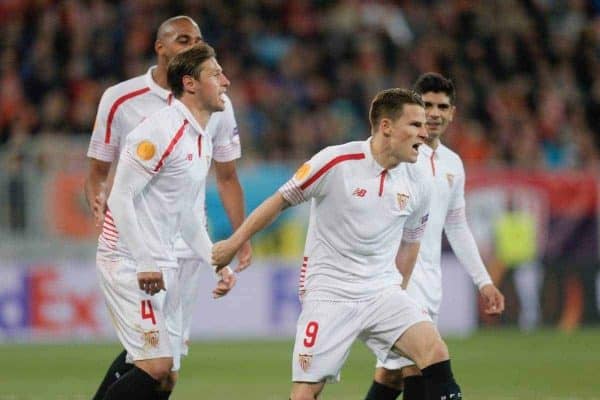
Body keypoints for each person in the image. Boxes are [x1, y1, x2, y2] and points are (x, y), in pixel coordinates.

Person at [213, 88, 463, 400]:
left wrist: (400, 292)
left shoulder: (419, 182)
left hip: (381, 292)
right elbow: (278, 202)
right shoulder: (336, 162)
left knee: (434, 351)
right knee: (305, 394)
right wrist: (234, 243)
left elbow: (411, 243)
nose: (425, 134)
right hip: (329, 294)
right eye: (415, 125)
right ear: (386, 126)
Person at [84, 16, 252, 399]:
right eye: (216, 75)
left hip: (168, 259)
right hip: (129, 258)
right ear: (190, 84)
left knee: (166, 372)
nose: (226, 82)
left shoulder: (202, 133)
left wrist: (215, 260)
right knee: (154, 364)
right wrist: (144, 260)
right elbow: (120, 196)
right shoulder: (157, 131)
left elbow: (187, 213)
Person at [364, 73, 505, 400]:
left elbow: (456, 225)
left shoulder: (452, 164)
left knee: (391, 373)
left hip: (430, 278)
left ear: (453, 112)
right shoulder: (398, 157)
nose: (434, 113)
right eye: (426, 105)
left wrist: (483, 280)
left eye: (442, 106)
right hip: (397, 276)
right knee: (420, 364)